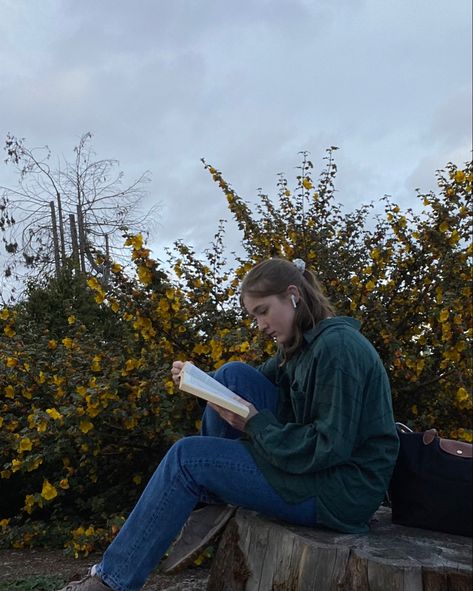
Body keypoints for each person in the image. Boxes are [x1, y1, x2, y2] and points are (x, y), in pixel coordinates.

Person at [58, 257, 399, 591]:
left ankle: (110, 583)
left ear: (293, 294)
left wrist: (255, 424)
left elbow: (329, 446)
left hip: (340, 491)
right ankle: (213, 498)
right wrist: (197, 380)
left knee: (186, 458)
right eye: (254, 317)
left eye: (263, 311)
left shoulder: (338, 350)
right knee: (231, 375)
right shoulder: (301, 346)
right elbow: (239, 387)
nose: (260, 325)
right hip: (318, 471)